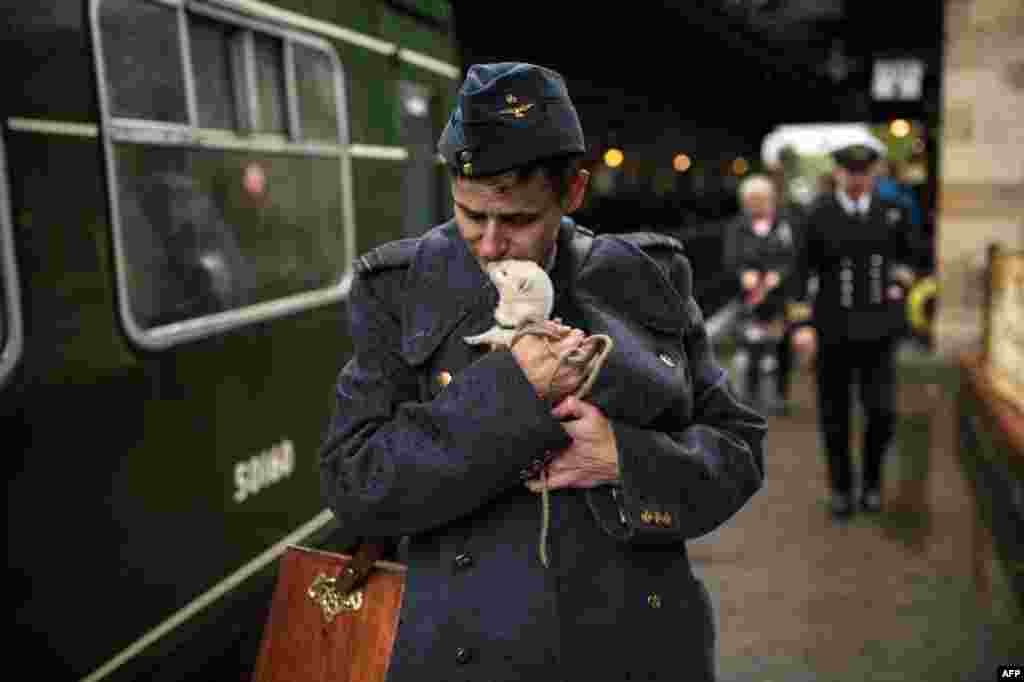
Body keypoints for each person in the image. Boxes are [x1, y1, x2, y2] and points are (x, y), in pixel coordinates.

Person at [318, 62, 766, 681]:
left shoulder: (648, 275)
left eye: (520, 221)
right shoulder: (396, 290)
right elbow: (354, 484)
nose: (491, 244)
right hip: (469, 656)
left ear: (574, 192)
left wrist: (623, 459)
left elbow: (739, 449)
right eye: (471, 216)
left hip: (631, 649)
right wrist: (512, 393)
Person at [790, 139, 926, 520]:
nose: (856, 179)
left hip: (879, 328)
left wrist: (901, 283)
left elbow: (913, 255)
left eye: (863, 172)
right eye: (850, 172)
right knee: (834, 415)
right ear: (838, 173)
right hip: (832, 328)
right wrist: (802, 324)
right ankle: (840, 489)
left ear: (873, 173)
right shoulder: (817, 214)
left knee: (881, 412)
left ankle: (871, 483)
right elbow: (800, 270)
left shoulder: (892, 211)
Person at [722, 174, 797, 414]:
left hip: (779, 297)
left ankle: (780, 396)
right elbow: (730, 259)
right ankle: (750, 398)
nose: (755, 205)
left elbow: (794, 257)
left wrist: (779, 275)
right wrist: (744, 273)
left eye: (760, 200)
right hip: (750, 299)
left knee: (782, 347)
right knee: (751, 346)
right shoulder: (737, 227)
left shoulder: (785, 224)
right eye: (751, 200)